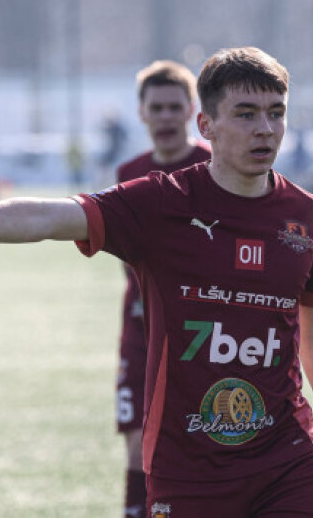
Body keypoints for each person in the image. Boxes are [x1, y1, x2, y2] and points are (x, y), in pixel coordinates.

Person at [0, 47, 313, 517]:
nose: (264, 128)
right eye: (245, 114)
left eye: (276, 113)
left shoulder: (307, 217)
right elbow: (46, 217)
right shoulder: (160, 203)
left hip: (287, 458)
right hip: (189, 466)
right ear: (207, 124)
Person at [115, 59, 210, 518]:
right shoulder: (129, 172)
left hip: (203, 329)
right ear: (142, 113)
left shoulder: (214, 165)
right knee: (138, 440)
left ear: (193, 110)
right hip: (141, 326)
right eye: (157, 108)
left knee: (202, 439)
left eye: (175, 107)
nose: (166, 117)